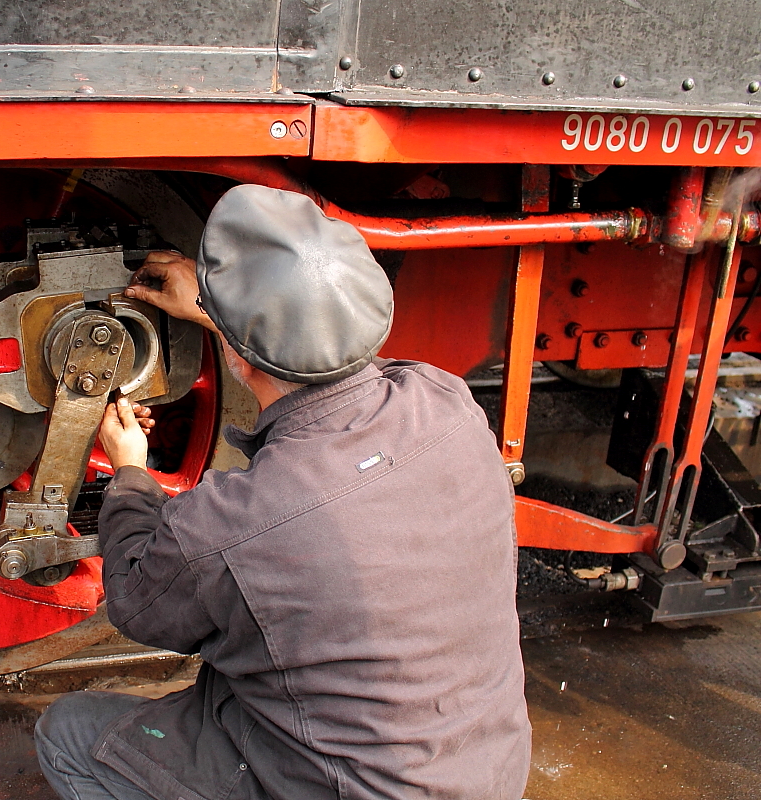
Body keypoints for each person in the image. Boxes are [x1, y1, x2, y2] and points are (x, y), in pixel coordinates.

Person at [34, 184, 531, 800]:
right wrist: (230, 316)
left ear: (240, 361)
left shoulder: (233, 523)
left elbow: (139, 604)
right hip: (483, 772)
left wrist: (131, 474)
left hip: (348, 790)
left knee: (69, 734)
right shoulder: (447, 401)